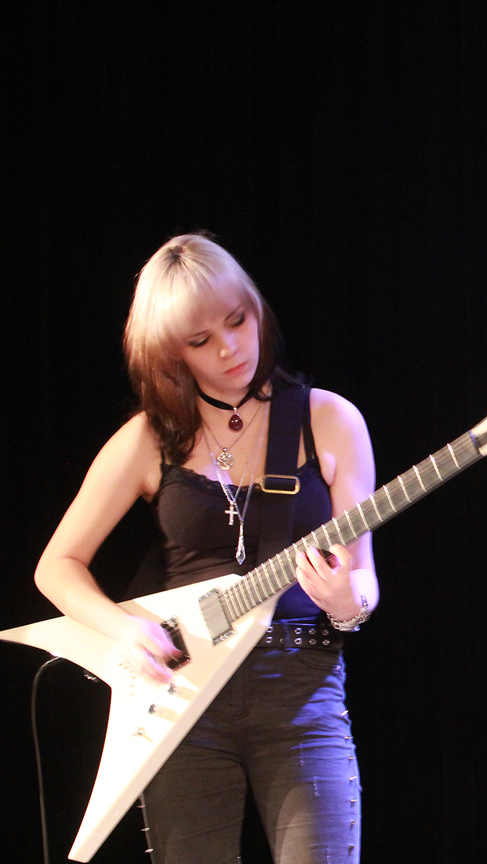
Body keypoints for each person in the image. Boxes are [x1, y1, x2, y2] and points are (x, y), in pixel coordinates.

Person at [35, 233, 379, 863]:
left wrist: (344, 603)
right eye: (200, 340)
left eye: (238, 320)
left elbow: (363, 584)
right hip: (183, 700)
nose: (229, 348)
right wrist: (123, 630)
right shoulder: (148, 438)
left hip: (301, 690)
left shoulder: (329, 419)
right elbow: (56, 566)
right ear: (170, 351)